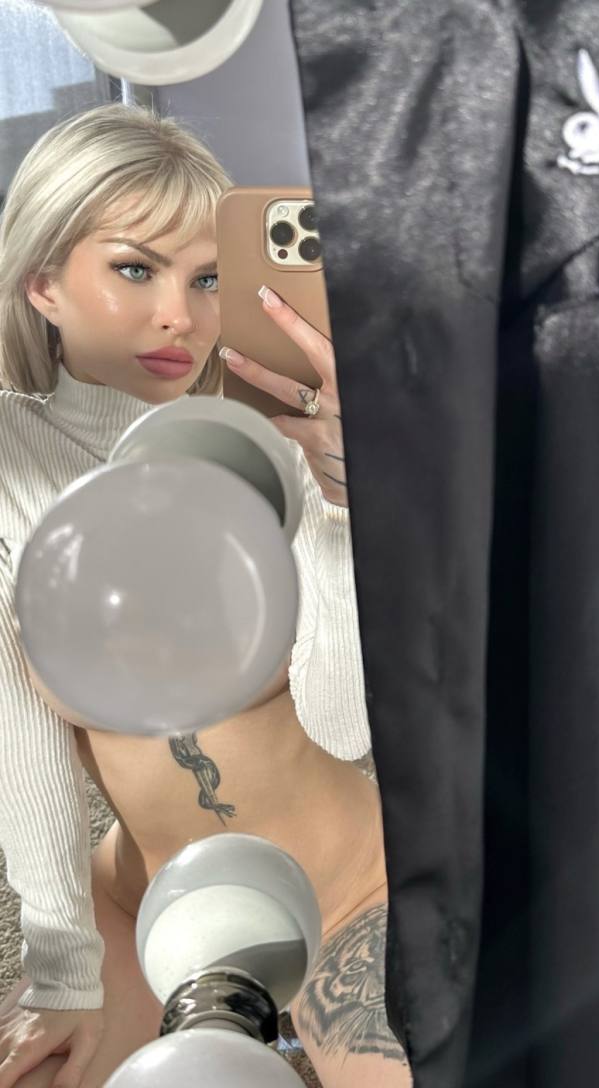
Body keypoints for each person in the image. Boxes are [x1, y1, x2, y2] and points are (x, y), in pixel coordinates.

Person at [0, 105, 411, 1088]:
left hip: (348, 890)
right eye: (135, 269)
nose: (180, 316)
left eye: (210, 277)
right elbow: (20, 733)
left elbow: (343, 720)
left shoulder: (280, 445)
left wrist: (342, 502)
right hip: (145, 905)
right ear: (43, 282)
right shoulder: (12, 461)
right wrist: (61, 966)